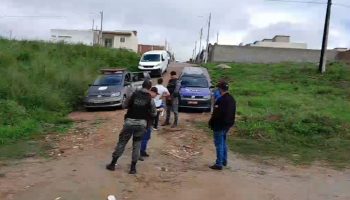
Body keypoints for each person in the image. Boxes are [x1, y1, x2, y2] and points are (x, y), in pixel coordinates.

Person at [106, 80, 157, 174]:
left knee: (122, 142)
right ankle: (133, 168)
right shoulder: (150, 99)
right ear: (150, 88)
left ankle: (113, 164)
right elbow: (154, 113)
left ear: (142, 85)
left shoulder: (133, 95)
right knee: (137, 145)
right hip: (141, 124)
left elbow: (124, 105)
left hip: (129, 122)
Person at [208, 81, 236, 170]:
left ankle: (219, 163)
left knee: (219, 144)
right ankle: (224, 160)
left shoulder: (221, 100)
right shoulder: (232, 99)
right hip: (227, 124)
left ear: (220, 89)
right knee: (224, 142)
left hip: (219, 124)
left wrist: (211, 122)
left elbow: (216, 114)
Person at [139, 87, 159, 160]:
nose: (156, 95)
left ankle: (142, 151)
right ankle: (141, 151)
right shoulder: (150, 100)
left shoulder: (141, 97)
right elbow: (154, 113)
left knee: (143, 137)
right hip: (147, 121)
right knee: (145, 137)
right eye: (156, 94)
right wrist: (157, 111)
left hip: (141, 120)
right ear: (152, 92)